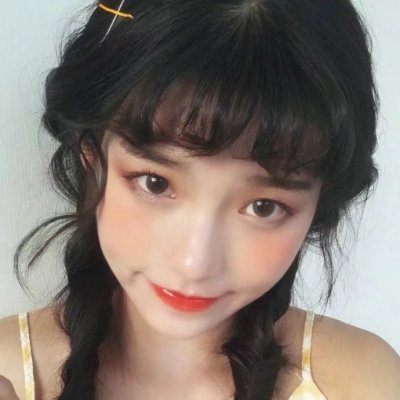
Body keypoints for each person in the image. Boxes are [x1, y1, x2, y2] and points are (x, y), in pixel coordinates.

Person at [0, 0, 399, 399]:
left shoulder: (364, 382)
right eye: (155, 183)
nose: (194, 263)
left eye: (263, 207)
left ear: (318, 204)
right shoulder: (7, 371)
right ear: (90, 154)